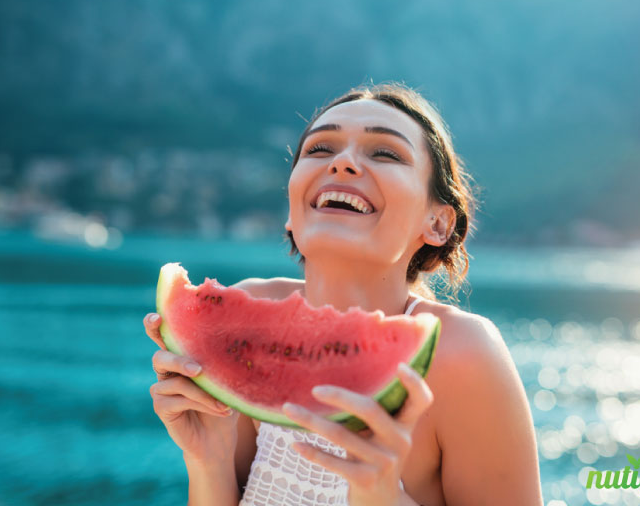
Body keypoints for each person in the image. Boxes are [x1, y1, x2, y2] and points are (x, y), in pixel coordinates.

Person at [144, 82, 543, 505]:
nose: (342, 163)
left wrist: (380, 497)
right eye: (319, 149)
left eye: (385, 153)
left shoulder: (462, 354)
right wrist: (209, 461)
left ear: (439, 224)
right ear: (293, 208)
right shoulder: (249, 324)